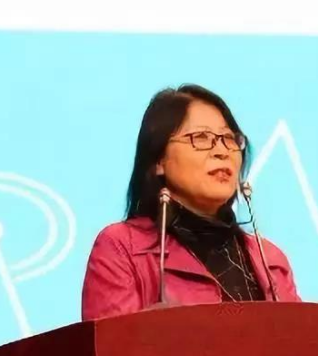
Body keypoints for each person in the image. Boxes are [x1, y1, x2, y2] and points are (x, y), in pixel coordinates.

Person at [81, 84, 301, 320]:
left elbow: (301, 339)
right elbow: (113, 342)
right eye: (201, 137)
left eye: (229, 138)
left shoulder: (270, 260)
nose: (222, 151)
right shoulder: (122, 248)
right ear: (159, 160)